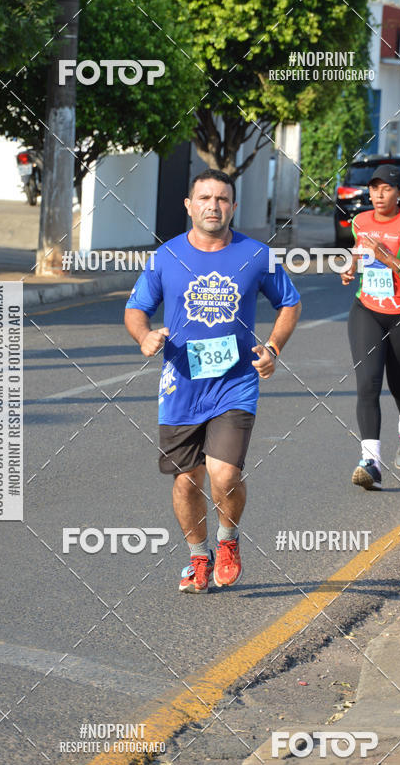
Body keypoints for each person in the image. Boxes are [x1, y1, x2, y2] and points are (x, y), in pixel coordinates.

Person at [124, 169, 301, 591]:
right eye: (204, 198)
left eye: (222, 199)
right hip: (181, 386)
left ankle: (228, 540)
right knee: (187, 482)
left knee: (223, 475)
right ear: (189, 205)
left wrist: (273, 349)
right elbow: (135, 310)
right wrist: (144, 335)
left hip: (235, 383)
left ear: (233, 207)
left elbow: (289, 303)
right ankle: (198, 557)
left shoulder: (257, 254)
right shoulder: (165, 257)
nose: (213, 206)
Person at [341, 163, 400, 490]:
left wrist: (389, 258)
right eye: (374, 188)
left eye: (386, 189)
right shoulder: (360, 220)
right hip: (367, 308)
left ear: (399, 193)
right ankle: (371, 461)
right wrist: (351, 266)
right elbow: (358, 249)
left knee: (398, 383)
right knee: (368, 383)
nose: (379, 195)